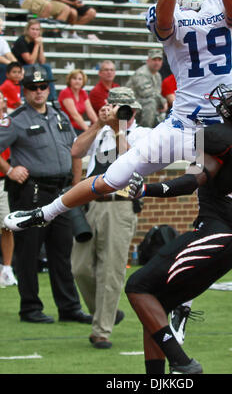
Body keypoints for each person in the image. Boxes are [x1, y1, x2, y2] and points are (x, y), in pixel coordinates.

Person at [2, 0, 232, 251]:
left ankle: (203, 252)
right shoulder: (168, 7)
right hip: (182, 125)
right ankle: (44, 212)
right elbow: (163, 25)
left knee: (216, 183)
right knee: (111, 178)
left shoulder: (223, 2)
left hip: (220, 127)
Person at [125, 79, 232, 374]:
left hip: (214, 232)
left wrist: (148, 190)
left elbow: (196, 179)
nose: (227, 100)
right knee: (155, 307)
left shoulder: (220, 136)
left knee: (138, 286)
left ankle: (182, 363)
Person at [0, 69, 92, 323]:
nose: (39, 91)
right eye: (33, 87)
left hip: (60, 194)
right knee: (29, 252)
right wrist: (9, 169)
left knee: (62, 252)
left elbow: (75, 150)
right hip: (32, 192)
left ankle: (69, 308)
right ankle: (30, 308)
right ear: (24, 90)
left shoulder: (59, 115)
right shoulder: (15, 120)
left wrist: (75, 185)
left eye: (43, 86)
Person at [71, 87, 150, 349]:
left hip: (120, 205)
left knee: (110, 270)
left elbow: (132, 160)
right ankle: (106, 313)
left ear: (134, 111)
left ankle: (101, 331)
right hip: (92, 203)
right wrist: (98, 124)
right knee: (79, 267)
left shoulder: (142, 133)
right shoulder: (101, 131)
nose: (118, 112)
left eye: (123, 108)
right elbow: (76, 151)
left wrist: (119, 129)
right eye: (114, 106)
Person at [12, 19, 57, 101]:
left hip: (30, 67)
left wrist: (41, 45)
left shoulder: (37, 41)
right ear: (27, 30)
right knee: (32, 67)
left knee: (46, 67)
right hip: (19, 67)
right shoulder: (21, 41)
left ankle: (52, 98)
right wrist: (37, 45)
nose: (35, 32)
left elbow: (42, 61)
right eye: (32, 29)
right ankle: (24, 97)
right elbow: (30, 61)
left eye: (37, 29)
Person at [0, 91, 17, 287]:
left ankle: (7, 268)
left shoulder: (12, 121)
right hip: (6, 174)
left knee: (6, 224)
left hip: (5, 181)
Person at [126, 48, 167, 128]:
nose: (157, 62)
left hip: (143, 105)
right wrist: (163, 101)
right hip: (132, 105)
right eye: (154, 59)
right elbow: (147, 93)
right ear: (148, 60)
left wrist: (162, 103)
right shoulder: (142, 73)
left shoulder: (158, 75)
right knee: (150, 103)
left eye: (159, 60)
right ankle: (145, 130)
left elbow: (156, 94)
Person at [58, 68, 98, 135]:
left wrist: (100, 127)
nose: (77, 81)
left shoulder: (83, 93)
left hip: (79, 128)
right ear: (70, 80)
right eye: (74, 78)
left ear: (83, 81)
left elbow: (91, 113)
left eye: (80, 79)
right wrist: (87, 131)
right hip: (67, 128)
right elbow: (75, 115)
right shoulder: (65, 92)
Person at [0, 18, 17, 85]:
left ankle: (18, 94)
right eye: (0, 25)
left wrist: (18, 66)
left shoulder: (2, 40)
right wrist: (11, 64)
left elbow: (9, 55)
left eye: (1, 26)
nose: (1, 28)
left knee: (18, 71)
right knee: (5, 68)